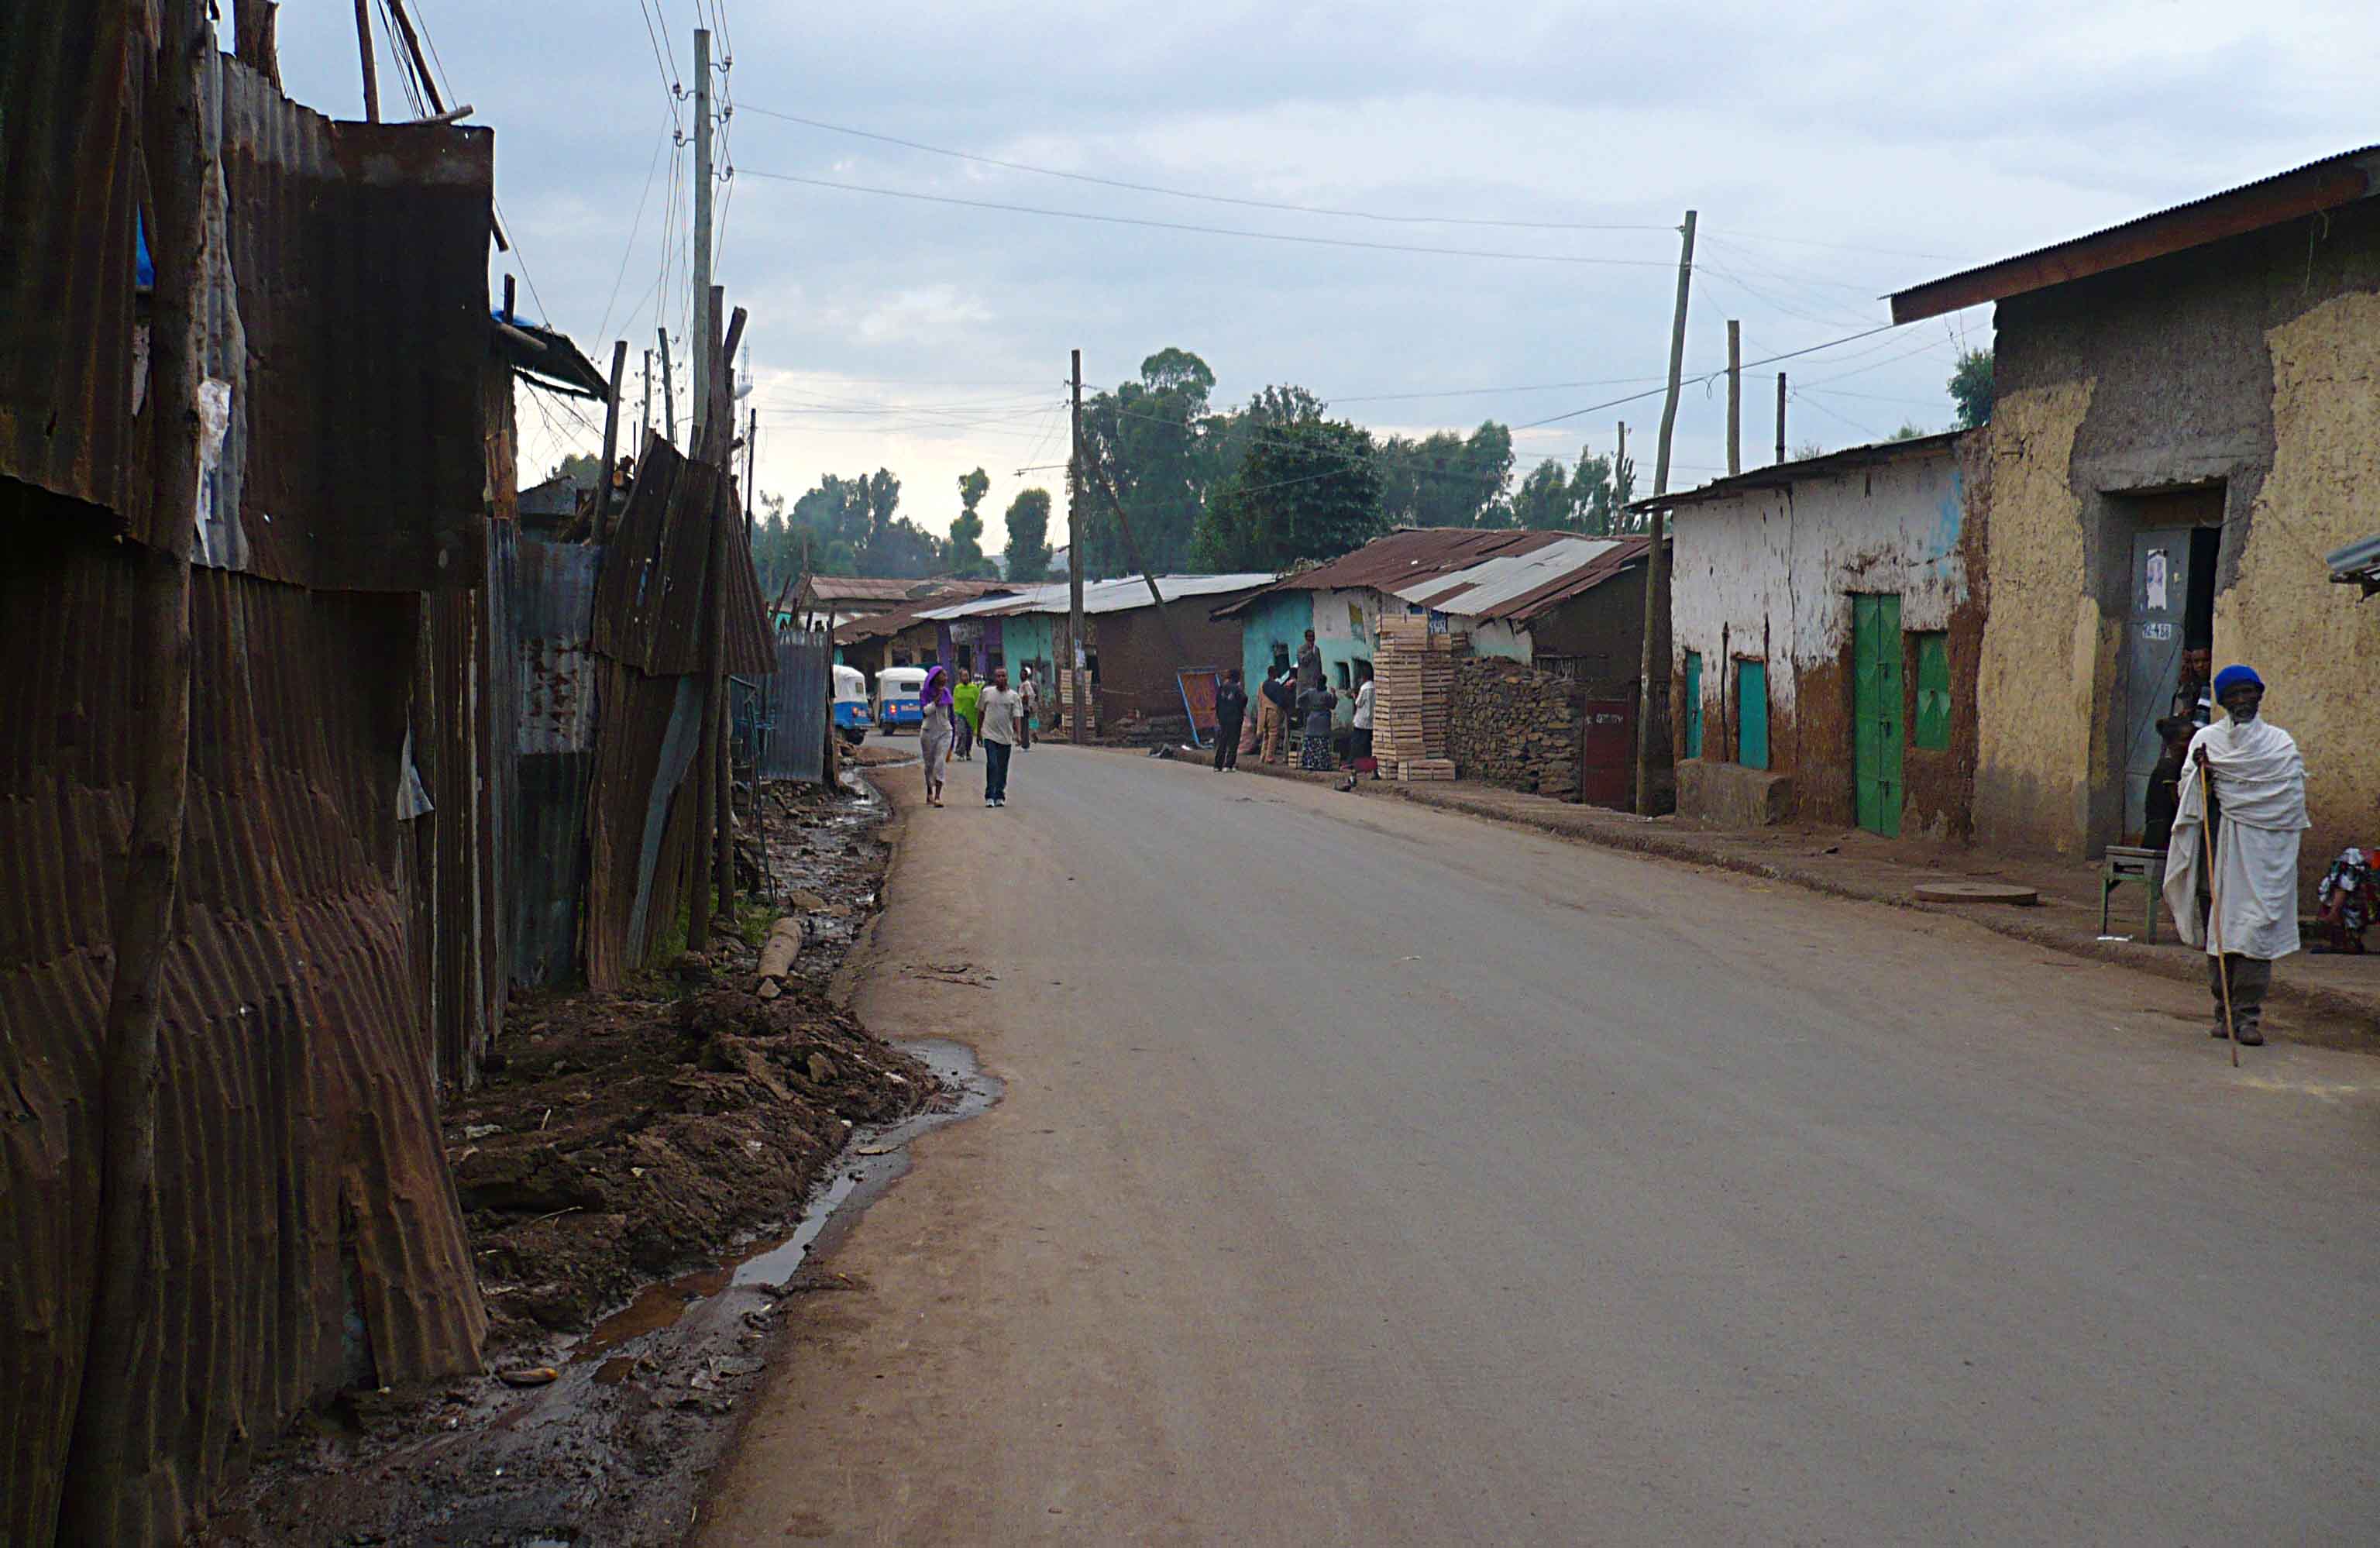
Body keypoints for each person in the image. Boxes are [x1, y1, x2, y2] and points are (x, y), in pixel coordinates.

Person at [2162, 665, 2308, 1047]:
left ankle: (2248, 1016)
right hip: (2220, 851)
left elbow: (2291, 804)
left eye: (2248, 693)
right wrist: (2203, 778)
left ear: (2260, 696)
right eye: (2234, 695)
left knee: (2256, 932)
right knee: (2222, 933)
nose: (2242, 701)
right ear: (2223, 702)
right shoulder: (2207, 740)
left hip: (2265, 858)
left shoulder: (2280, 744)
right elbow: (2187, 796)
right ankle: (2223, 1011)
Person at [2141, 714, 2196, 850]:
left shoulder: (2179, 766)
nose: (2191, 743)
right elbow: (2179, 803)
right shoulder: (2169, 767)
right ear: (2172, 743)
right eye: (2185, 739)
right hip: (2162, 837)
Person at [977, 666, 1023, 808]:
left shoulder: (1014, 696)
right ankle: (989, 796)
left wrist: (1018, 734)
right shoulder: (986, 693)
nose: (1001, 678)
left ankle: (999, 795)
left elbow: (1017, 716)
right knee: (992, 764)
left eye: (1003, 676)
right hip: (989, 735)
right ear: (995, 678)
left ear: (1007, 678)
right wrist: (978, 732)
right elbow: (981, 712)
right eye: (998, 676)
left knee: (1002, 768)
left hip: (1006, 737)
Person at [918, 664, 954, 807]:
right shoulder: (924, 693)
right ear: (934, 677)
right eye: (942, 675)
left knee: (940, 762)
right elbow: (925, 712)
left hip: (945, 732)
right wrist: (936, 700)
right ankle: (929, 791)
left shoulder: (947, 693)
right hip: (928, 732)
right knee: (929, 765)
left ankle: (938, 796)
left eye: (945, 675)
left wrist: (953, 742)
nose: (945, 677)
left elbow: (951, 716)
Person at [1297, 679, 1338, 772]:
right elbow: (1332, 706)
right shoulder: (1327, 695)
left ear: (1316, 683)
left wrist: (1306, 709)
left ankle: (1309, 763)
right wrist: (1334, 694)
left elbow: (1299, 700)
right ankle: (1322, 765)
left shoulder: (1310, 692)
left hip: (1312, 719)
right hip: (1323, 721)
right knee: (1322, 743)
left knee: (1311, 743)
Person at [1212, 668, 1248, 772]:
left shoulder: (1221, 688)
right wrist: (1240, 708)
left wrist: (1219, 716)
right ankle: (1228, 765)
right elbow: (1244, 699)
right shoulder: (1237, 688)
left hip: (1223, 718)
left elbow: (1217, 703)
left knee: (1223, 741)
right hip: (1235, 718)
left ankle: (1217, 765)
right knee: (1234, 741)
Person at [1259, 666, 1292, 764]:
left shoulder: (1262, 685)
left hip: (1263, 712)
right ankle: (1269, 757)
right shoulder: (1276, 685)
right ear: (1274, 673)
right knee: (1273, 734)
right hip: (1273, 712)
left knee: (1266, 735)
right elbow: (1281, 699)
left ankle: (1263, 756)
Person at [1350, 661, 1375, 772]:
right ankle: (1367, 765)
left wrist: (1354, 696)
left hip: (1361, 721)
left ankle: (1353, 763)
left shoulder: (1364, 688)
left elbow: (1358, 703)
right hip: (1371, 720)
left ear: (1363, 677)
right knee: (1367, 744)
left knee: (1356, 743)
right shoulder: (1374, 686)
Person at [951, 667, 981, 761]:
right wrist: (956, 713)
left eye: (967, 675)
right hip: (960, 715)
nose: (966, 677)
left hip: (971, 715)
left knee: (969, 735)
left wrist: (979, 713)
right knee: (962, 733)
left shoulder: (974, 688)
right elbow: (955, 701)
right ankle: (961, 753)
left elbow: (978, 702)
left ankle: (968, 751)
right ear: (960, 678)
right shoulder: (957, 688)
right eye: (964, 676)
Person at [1297, 629, 1323, 693]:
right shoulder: (1301, 649)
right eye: (1309, 636)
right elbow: (1303, 661)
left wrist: (1320, 678)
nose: (1311, 638)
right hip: (1305, 683)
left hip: (1315, 682)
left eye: (1313, 636)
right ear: (1306, 638)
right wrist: (1310, 651)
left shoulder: (1317, 649)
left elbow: (1319, 664)